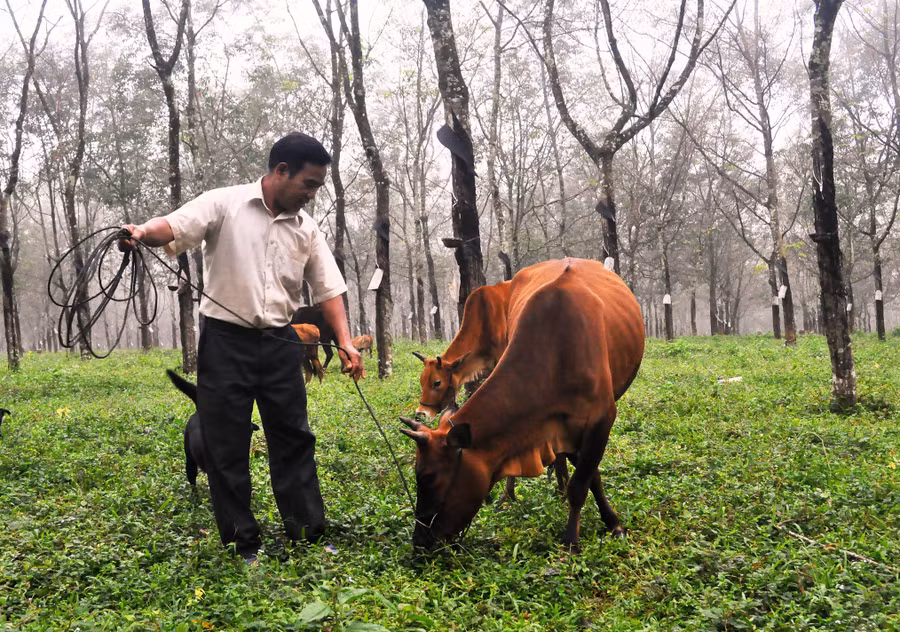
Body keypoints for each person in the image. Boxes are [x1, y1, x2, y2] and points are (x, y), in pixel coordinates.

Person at [120, 132, 363, 565]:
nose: (311, 195)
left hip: (280, 342)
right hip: (225, 342)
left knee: (294, 438)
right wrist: (140, 232)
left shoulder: (306, 228)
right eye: (308, 184)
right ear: (280, 171)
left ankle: (307, 535)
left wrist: (344, 341)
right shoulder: (225, 203)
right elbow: (173, 226)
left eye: (317, 187)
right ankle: (242, 543)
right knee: (225, 444)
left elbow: (329, 289)